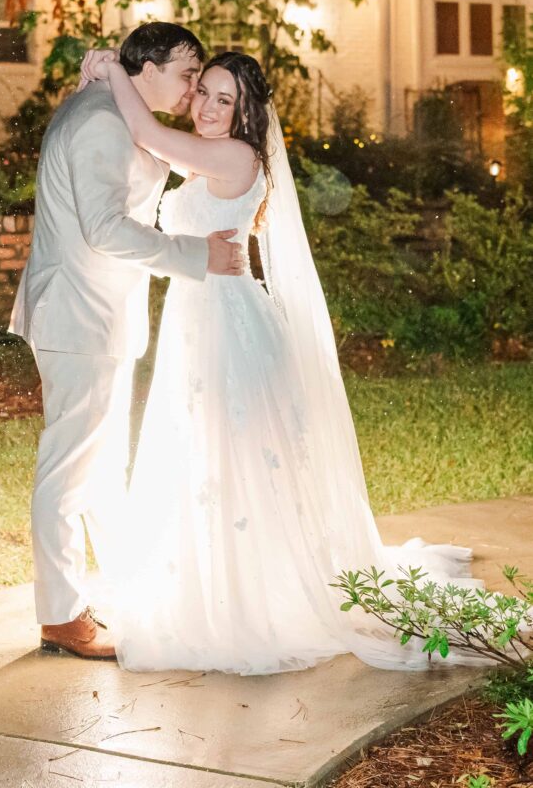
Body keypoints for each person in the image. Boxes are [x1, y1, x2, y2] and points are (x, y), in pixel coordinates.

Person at [80, 46, 500, 675]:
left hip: (231, 326)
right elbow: (155, 153)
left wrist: (111, 70)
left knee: (239, 459)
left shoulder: (235, 155)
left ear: (247, 113)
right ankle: (214, 582)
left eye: (228, 99)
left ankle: (252, 599)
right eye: (206, 93)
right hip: (201, 317)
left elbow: (144, 131)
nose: (211, 107)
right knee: (206, 456)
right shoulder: (203, 159)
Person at [8, 23, 245, 662]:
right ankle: (59, 616)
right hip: (77, 318)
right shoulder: (98, 124)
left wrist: (108, 71)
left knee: (102, 467)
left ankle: (118, 589)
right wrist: (195, 255)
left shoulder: (116, 110)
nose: (194, 89)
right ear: (148, 67)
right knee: (68, 468)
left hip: (97, 317)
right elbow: (106, 229)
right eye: (187, 74)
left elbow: (160, 157)